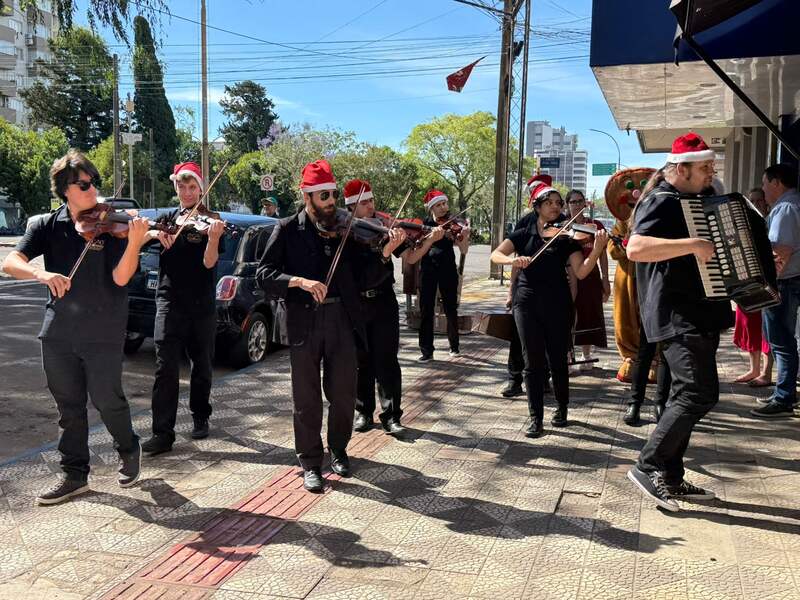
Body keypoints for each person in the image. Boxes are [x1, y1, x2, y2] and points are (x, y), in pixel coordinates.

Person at [1, 150, 148, 504]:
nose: (92, 189)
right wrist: (41, 272)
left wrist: (135, 242)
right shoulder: (45, 225)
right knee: (68, 406)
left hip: (104, 328)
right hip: (59, 330)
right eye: (83, 184)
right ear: (65, 189)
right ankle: (74, 474)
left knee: (107, 399)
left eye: (94, 182)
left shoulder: (112, 225)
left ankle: (128, 447)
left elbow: (121, 276)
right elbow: (10, 262)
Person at [626, 132, 732, 511]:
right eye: (705, 168)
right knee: (696, 393)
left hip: (701, 309)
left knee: (690, 395)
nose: (711, 174)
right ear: (681, 169)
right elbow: (635, 248)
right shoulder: (660, 200)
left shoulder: (698, 200)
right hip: (675, 313)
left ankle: (670, 476)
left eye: (712, 167)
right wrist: (692, 244)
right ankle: (647, 465)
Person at [256, 159, 366, 492]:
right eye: (324, 196)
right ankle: (309, 462)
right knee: (306, 398)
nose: (332, 201)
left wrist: (384, 249)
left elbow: (364, 277)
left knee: (344, 393)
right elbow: (264, 275)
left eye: (333, 194)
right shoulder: (287, 229)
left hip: (342, 320)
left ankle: (340, 450)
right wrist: (299, 281)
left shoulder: (348, 229)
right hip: (305, 320)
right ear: (308, 198)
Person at [490, 179, 607, 438]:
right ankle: (536, 418)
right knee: (532, 361)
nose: (555, 207)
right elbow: (495, 255)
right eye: (549, 202)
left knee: (557, 359)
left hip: (558, 303)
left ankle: (562, 408)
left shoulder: (566, 238)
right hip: (526, 302)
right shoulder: (523, 233)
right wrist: (513, 260)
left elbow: (582, 270)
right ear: (537, 206)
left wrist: (597, 249)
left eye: (558, 203)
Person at [142, 162, 226, 456]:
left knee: (201, 365)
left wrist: (213, 238)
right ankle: (162, 433)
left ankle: (200, 414)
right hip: (168, 301)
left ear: (201, 190)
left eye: (193, 187)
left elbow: (208, 263)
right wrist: (153, 235)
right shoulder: (166, 218)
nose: (187, 192)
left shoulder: (211, 221)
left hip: (201, 305)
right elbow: (137, 238)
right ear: (176, 187)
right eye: (182, 186)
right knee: (165, 367)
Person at [343, 178, 410, 435]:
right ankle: (363, 412)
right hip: (357, 303)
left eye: (372, 200)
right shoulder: (346, 233)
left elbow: (409, 256)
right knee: (361, 360)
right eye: (364, 202)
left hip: (384, 301)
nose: (371, 206)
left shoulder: (385, 227)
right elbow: (359, 275)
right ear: (351, 208)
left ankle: (392, 415)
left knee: (387, 360)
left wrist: (425, 240)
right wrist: (383, 252)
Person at [751, 164, 800, 418]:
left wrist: (767, 286)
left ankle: (784, 397)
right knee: (782, 340)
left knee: (781, 341)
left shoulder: (786, 208)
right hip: (787, 282)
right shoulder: (790, 205)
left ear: (777, 182)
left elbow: (781, 253)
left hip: (784, 283)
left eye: (765, 183)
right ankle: (784, 392)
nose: (763, 189)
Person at [501, 174, 553, 398]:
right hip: (525, 289)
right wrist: (511, 290)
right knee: (518, 338)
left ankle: (543, 379)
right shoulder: (524, 223)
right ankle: (514, 379)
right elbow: (514, 258)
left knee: (547, 338)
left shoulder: (560, 221)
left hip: (551, 289)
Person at [412, 190, 470, 362]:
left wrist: (464, 237)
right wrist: (429, 237)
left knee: (451, 308)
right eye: (439, 205)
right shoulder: (424, 224)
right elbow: (416, 248)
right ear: (431, 208)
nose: (444, 207)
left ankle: (454, 346)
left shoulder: (454, 224)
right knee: (426, 309)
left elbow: (464, 250)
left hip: (448, 269)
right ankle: (426, 350)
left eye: (444, 203)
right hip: (428, 269)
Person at [564, 189, 609, 372]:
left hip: (591, 276)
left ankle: (586, 355)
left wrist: (606, 279)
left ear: (585, 203)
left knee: (589, 314)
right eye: (572, 202)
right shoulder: (563, 226)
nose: (576, 205)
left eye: (579, 201)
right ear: (567, 205)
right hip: (569, 275)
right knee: (569, 315)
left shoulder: (594, 225)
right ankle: (567, 354)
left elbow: (603, 255)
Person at [732, 188, 773, 387]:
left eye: (759, 200)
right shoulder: (745, 223)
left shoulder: (770, 222)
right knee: (749, 325)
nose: (756, 204)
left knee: (766, 329)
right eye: (752, 200)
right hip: (747, 281)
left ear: (766, 202)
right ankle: (753, 368)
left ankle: (766, 372)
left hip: (766, 281)